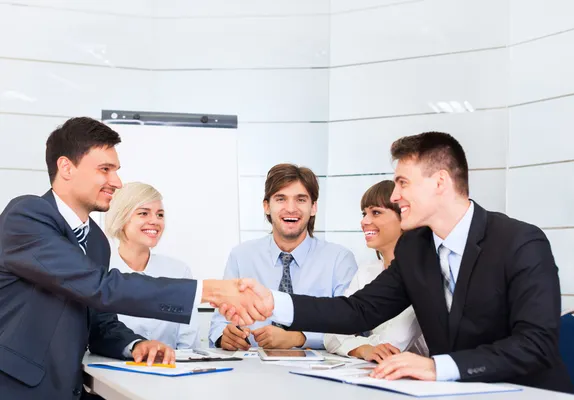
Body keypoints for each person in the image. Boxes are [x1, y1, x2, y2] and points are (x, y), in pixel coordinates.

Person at [221, 131, 573, 393]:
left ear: (439, 182)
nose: (394, 196)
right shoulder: (416, 249)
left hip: (526, 393)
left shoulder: (520, 242)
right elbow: (357, 311)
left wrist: (438, 367)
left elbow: (535, 344)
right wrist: (274, 302)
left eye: (402, 183)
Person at [0, 117, 269, 399]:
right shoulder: (27, 216)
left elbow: (101, 322)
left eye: (116, 170)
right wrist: (209, 291)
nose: (116, 182)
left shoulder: (96, 241)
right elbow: (98, 286)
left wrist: (135, 344)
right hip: (17, 389)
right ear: (66, 167)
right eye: (105, 169)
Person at [209, 163, 357, 350]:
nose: (291, 208)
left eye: (301, 200)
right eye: (281, 199)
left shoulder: (339, 260)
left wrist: (299, 338)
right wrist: (225, 336)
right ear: (266, 207)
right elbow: (218, 325)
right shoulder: (241, 256)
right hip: (252, 370)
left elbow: (352, 326)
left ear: (313, 207)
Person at [324, 180, 427, 362]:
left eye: (376, 212)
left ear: (404, 218)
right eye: (364, 213)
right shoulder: (366, 271)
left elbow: (393, 344)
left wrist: (355, 344)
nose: (364, 221)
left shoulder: (421, 274)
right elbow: (331, 335)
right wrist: (363, 349)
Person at [105, 182, 200, 349]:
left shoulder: (178, 271)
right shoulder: (101, 272)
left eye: (160, 215)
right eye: (143, 213)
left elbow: (189, 341)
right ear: (121, 218)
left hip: (170, 370)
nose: (155, 221)